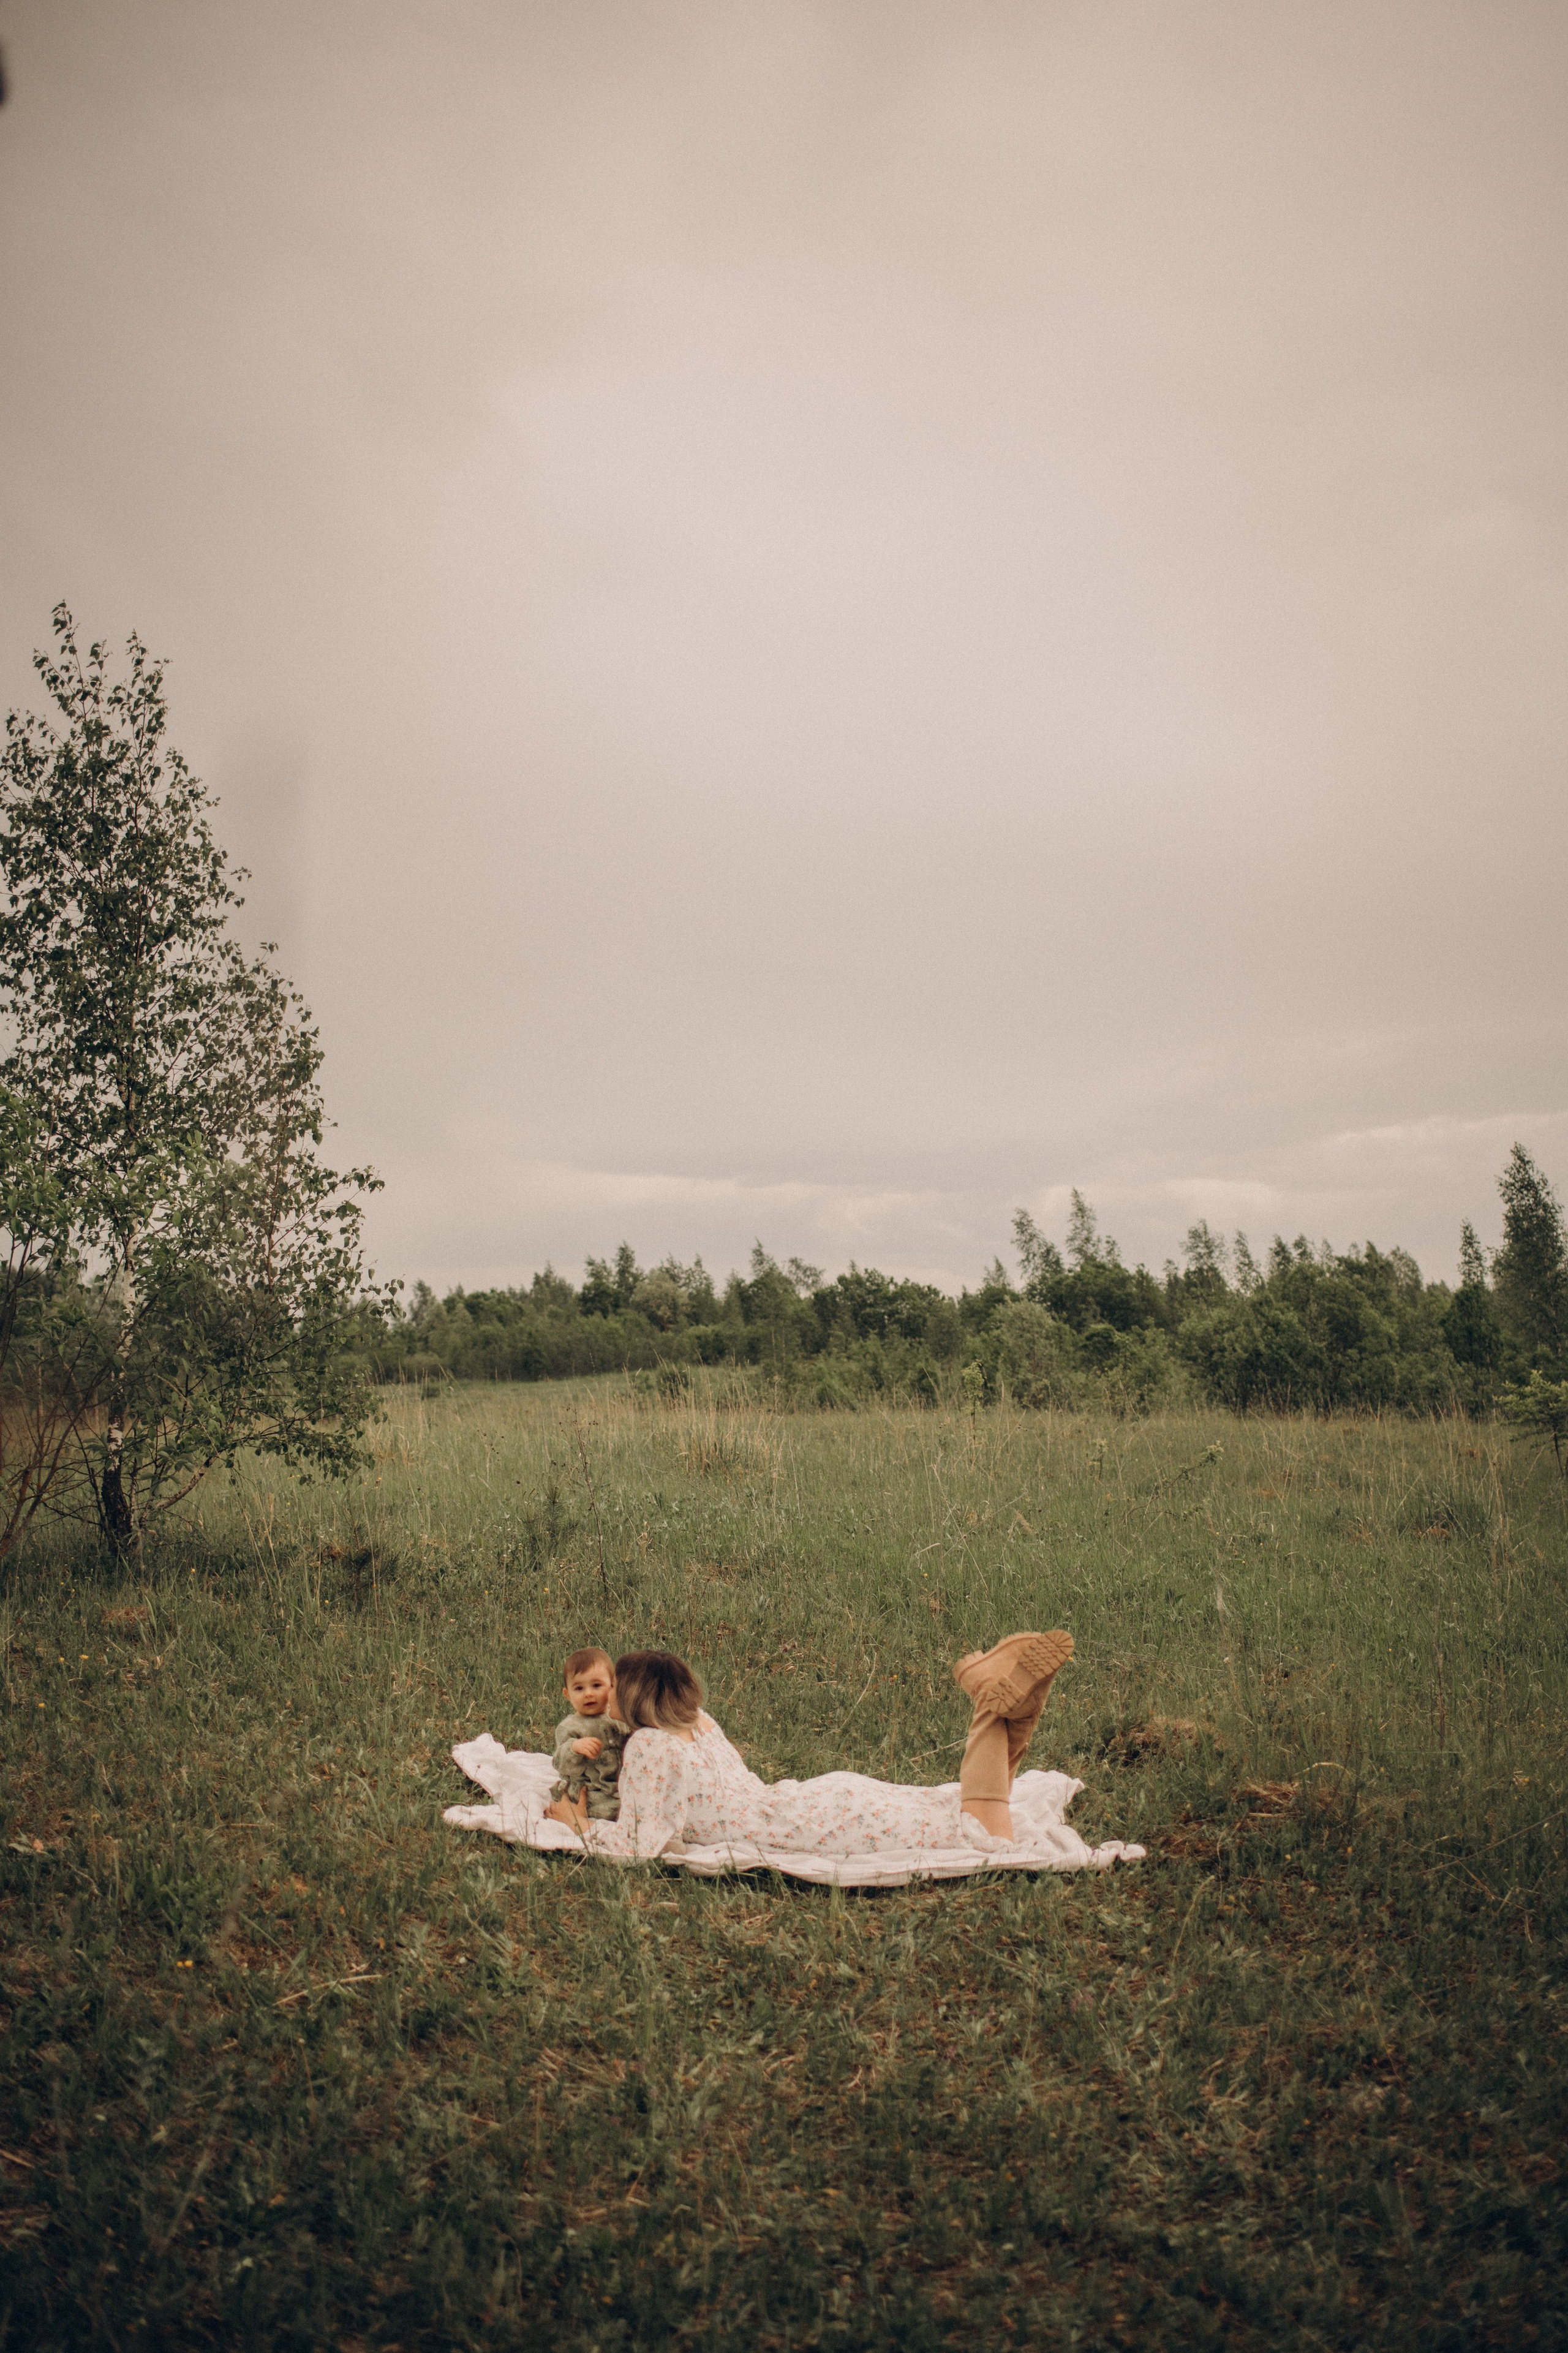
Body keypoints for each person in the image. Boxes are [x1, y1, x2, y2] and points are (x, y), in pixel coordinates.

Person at [543, 1632, 1073, 1858]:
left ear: (634, 1700)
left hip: (805, 1823)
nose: (604, 1695)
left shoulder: (651, 1748)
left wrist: (578, 1825)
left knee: (980, 1828)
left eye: (614, 1687)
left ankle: (989, 1703)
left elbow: (646, 1841)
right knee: (966, 1808)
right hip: (808, 1801)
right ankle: (1017, 1706)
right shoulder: (700, 1722)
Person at [549, 1646, 629, 1822]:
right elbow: (560, 1763)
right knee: (609, 1811)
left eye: (597, 1685)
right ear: (567, 1694)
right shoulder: (570, 1727)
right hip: (590, 1790)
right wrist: (574, 1748)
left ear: (612, 1686)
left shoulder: (618, 1718)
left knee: (636, 1806)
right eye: (579, 1689)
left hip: (619, 1787)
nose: (589, 1694)